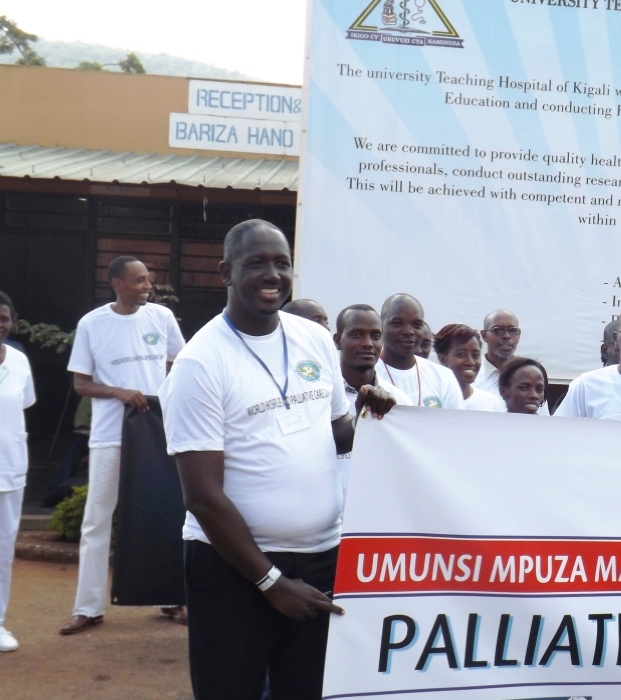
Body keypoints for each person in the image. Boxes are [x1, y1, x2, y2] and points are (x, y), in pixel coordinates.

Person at [160, 220, 395, 700]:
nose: (273, 274)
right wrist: (270, 581)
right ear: (226, 271)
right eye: (257, 263)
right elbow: (202, 496)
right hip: (233, 570)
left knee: (307, 691)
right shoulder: (199, 363)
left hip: (322, 561)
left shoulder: (312, 338)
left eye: (282, 263)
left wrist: (373, 417)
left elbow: (337, 434)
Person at [61, 255, 186, 635]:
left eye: (148, 279)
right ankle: (88, 607)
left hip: (154, 433)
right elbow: (81, 383)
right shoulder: (92, 324)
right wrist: (116, 391)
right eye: (139, 280)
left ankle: (170, 598)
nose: (148, 285)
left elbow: (182, 364)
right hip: (109, 435)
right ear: (117, 283)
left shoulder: (161, 318)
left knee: (164, 514)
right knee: (97, 519)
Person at [333, 304, 411, 504]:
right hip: (329, 516)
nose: (368, 343)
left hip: (377, 511)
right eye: (357, 335)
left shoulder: (399, 399)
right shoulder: (322, 396)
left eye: (376, 336)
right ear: (337, 340)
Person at [0, 291, 35, 652]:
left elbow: (22, 405)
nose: (0, 325)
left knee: (3, 549)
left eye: (4, 319)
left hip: (9, 468)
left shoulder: (20, 362)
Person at [375, 294, 463, 409]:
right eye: (397, 323)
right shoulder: (367, 373)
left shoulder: (444, 377)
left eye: (417, 325)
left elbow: (456, 425)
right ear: (381, 326)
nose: (409, 331)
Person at [434, 324, 505, 412]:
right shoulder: (429, 400)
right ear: (443, 359)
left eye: (475, 355)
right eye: (461, 355)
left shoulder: (490, 402)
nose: (471, 362)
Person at [476, 310, 521, 396]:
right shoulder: (471, 378)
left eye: (513, 330)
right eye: (498, 330)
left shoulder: (529, 377)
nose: (507, 336)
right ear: (484, 335)